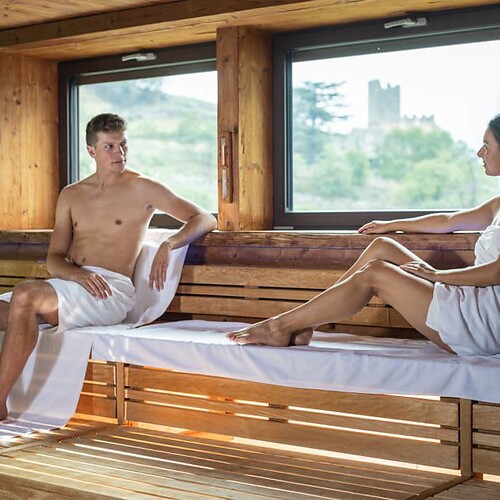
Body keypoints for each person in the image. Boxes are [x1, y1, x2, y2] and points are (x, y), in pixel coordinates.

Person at [0, 113, 217, 420]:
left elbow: (205, 218)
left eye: (123, 144)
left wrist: (170, 243)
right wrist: (77, 274)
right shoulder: (71, 195)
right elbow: (55, 258)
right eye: (110, 146)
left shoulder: (143, 188)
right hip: (73, 283)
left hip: (110, 291)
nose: (120, 153)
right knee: (19, 305)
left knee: (25, 295)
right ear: (92, 150)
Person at [228, 114, 500, 355]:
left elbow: (497, 272)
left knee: (376, 272)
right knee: (382, 245)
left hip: (483, 323)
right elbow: (447, 221)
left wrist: (437, 275)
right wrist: (391, 224)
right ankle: (305, 324)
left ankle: (279, 327)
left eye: (486, 145)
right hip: (473, 301)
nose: (479, 152)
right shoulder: (498, 203)